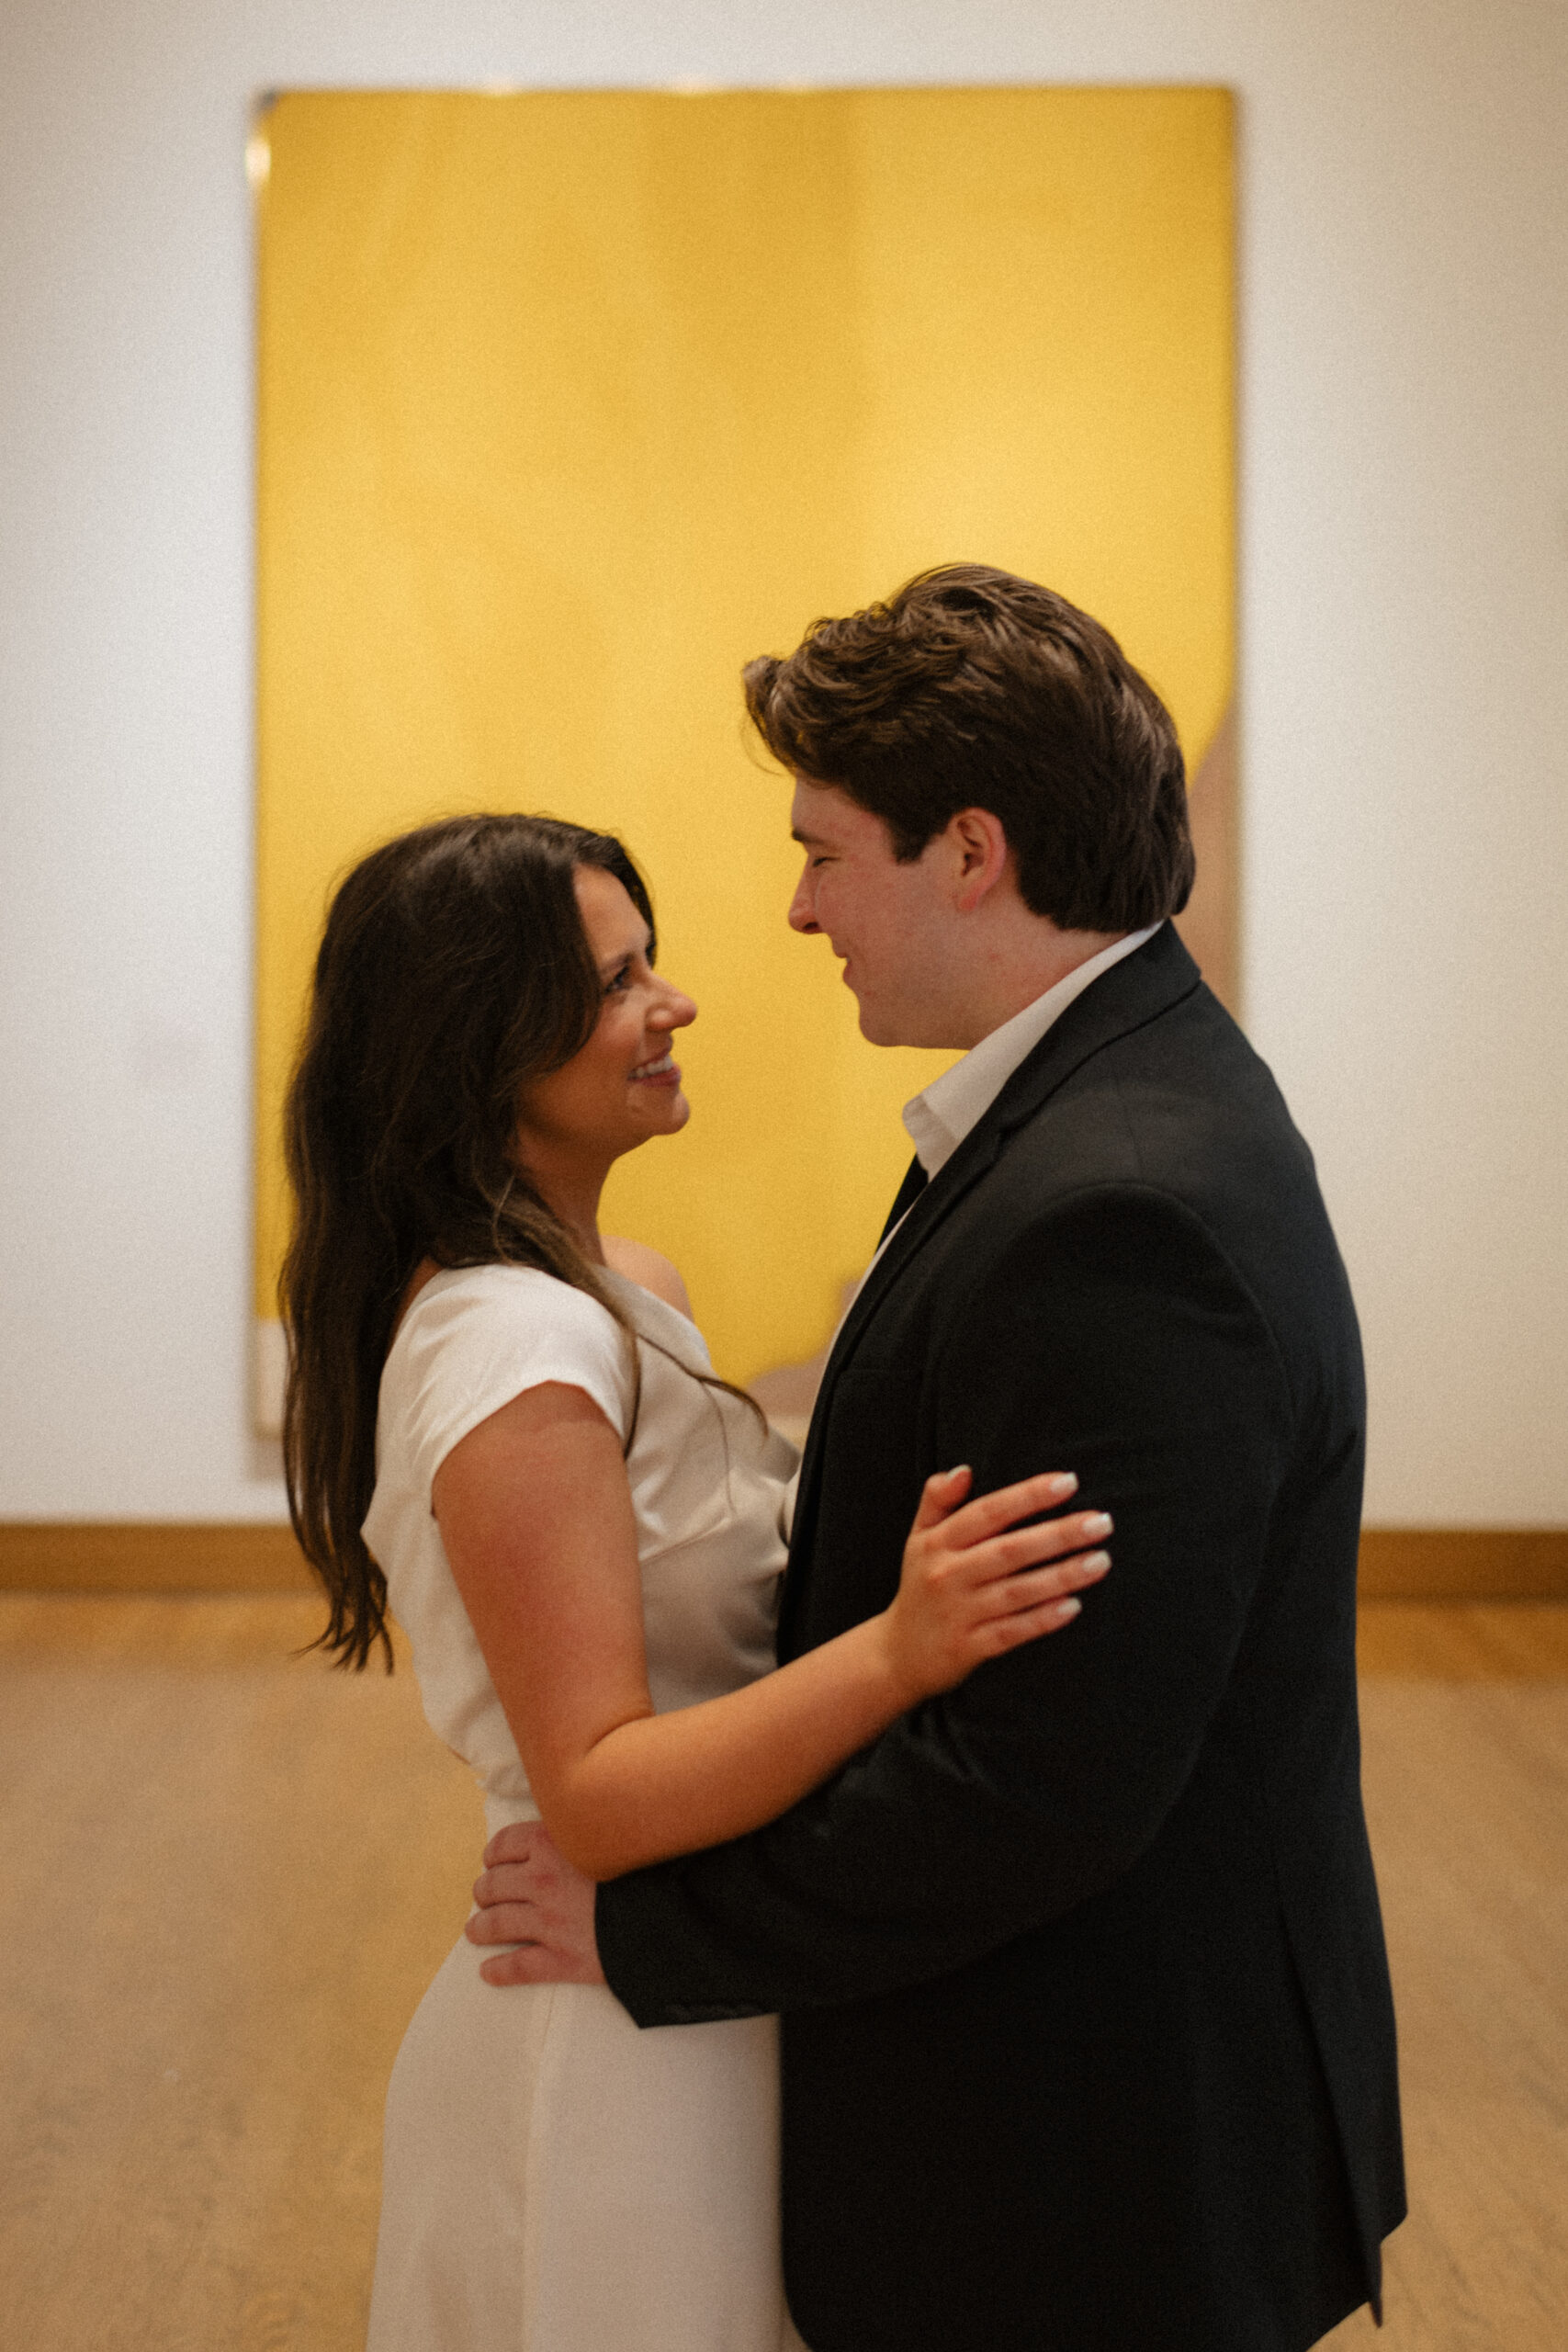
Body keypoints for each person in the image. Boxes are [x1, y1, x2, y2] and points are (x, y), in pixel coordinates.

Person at [469, 566, 1407, 2352]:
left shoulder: (1122, 1196)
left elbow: (1042, 1779)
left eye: (825, 850)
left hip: (1087, 2158)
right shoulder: (1095, 1092)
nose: (797, 906)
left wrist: (654, 1926)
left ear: (967, 850)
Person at [281, 809, 1112, 2351]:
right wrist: (901, 1649)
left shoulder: (618, 1290)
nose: (671, 1006)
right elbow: (593, 1789)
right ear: (480, 1044)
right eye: (614, 984)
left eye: (647, 963)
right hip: (611, 2035)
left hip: (691, 1977)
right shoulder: (514, 1348)